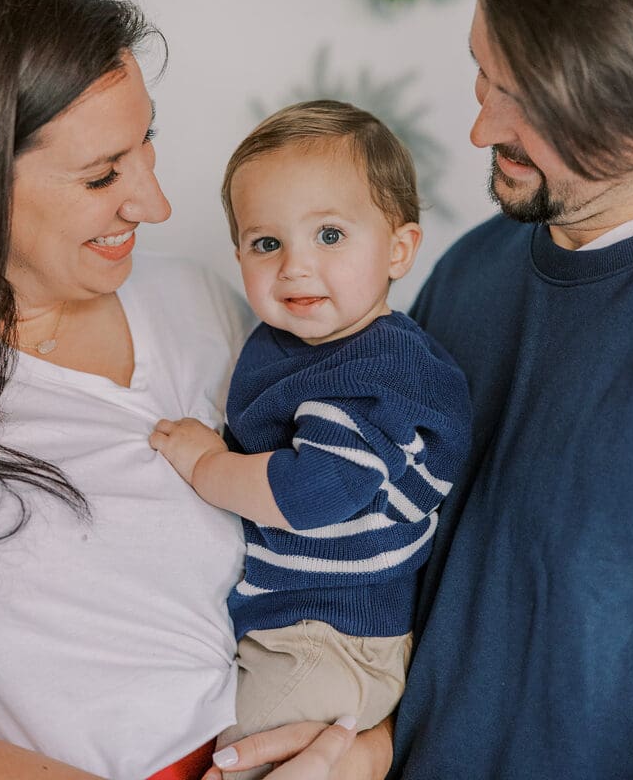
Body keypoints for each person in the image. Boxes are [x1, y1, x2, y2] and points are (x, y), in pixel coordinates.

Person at [205, 0, 633, 780]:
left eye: (529, 105)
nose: (480, 129)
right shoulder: (474, 271)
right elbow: (434, 584)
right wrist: (371, 749)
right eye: (484, 74)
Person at [0, 0, 382, 780]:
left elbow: (360, 549)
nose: (154, 205)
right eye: (101, 176)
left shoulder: (201, 303)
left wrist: (361, 753)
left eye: (146, 144)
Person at [149, 102, 472, 779]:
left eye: (329, 235)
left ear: (398, 249)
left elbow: (311, 492)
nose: (295, 266)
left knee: (253, 757)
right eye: (267, 244)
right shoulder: (295, 342)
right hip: (294, 627)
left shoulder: (379, 369)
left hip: (331, 643)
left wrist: (207, 464)